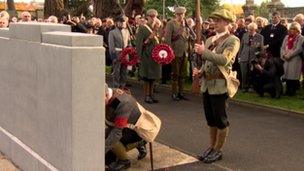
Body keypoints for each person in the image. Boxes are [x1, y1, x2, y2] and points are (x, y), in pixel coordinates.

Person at [193, 9, 240, 163]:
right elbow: (208, 63)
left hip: (220, 85)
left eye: (218, 20)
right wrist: (199, 72)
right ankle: (211, 146)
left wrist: (204, 51)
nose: (214, 23)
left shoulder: (233, 40)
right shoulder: (209, 40)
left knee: (220, 120)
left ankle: (218, 150)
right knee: (210, 119)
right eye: (213, 20)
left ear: (227, 23)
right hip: (207, 84)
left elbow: (224, 60)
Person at [105, 84, 148, 170]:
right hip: (124, 127)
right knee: (108, 158)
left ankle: (124, 161)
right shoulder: (110, 95)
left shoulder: (123, 103)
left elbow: (117, 133)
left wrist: (101, 151)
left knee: (112, 141)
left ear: (106, 95)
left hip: (135, 132)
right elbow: (111, 119)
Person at [135, 9, 161, 104]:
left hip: (155, 55)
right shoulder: (143, 28)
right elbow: (139, 44)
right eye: (151, 16)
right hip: (146, 55)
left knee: (153, 76)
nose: (154, 18)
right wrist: (138, 57)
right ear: (148, 17)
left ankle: (151, 95)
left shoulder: (157, 28)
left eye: (155, 16)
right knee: (147, 77)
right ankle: (147, 96)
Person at [164, 6, 190, 101]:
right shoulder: (171, 23)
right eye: (179, 14)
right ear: (175, 14)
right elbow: (167, 39)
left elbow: (187, 38)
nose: (181, 16)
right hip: (175, 52)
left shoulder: (185, 24)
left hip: (184, 52)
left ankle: (181, 92)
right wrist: (170, 52)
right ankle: (174, 93)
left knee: (182, 74)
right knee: (175, 74)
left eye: (182, 14)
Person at [238, 22, 264, 92]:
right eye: (248, 29)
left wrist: (257, 56)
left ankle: (251, 87)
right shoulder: (244, 35)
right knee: (244, 73)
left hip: (253, 58)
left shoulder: (260, 37)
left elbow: (261, 50)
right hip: (244, 57)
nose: (249, 31)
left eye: (251, 30)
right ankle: (244, 87)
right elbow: (241, 46)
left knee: (252, 74)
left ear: (255, 30)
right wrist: (239, 56)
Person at [280, 22, 304, 96]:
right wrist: (283, 55)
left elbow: (298, 49)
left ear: (297, 30)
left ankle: (292, 91)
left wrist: (289, 55)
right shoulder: (287, 37)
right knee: (286, 75)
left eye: (293, 29)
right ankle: (287, 90)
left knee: (293, 76)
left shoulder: (301, 38)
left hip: (295, 59)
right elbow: (282, 47)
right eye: (291, 28)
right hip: (286, 59)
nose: (291, 30)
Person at [108, 15, 130, 89]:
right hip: (117, 55)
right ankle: (116, 88)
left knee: (124, 72)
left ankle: (122, 87)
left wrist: (130, 52)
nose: (122, 23)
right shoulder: (112, 32)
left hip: (126, 55)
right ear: (117, 23)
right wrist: (113, 57)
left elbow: (129, 43)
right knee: (116, 72)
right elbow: (111, 46)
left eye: (124, 22)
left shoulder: (127, 32)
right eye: (121, 22)